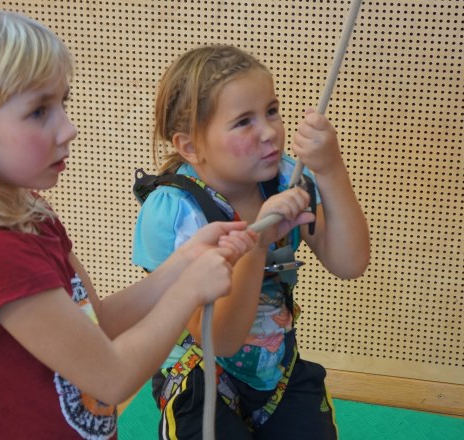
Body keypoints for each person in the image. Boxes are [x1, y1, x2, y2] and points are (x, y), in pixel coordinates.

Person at [0, 10, 259, 440]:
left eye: (63, 102)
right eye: (39, 111)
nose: (69, 128)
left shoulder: (29, 214)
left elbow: (98, 321)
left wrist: (186, 262)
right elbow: (110, 378)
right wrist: (191, 291)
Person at [133, 45, 370, 439]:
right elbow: (221, 340)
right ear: (190, 146)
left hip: (277, 374)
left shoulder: (286, 180)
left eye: (272, 111)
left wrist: (330, 169)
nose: (269, 132)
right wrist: (257, 240)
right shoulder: (176, 212)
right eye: (244, 122)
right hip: (200, 380)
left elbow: (350, 263)